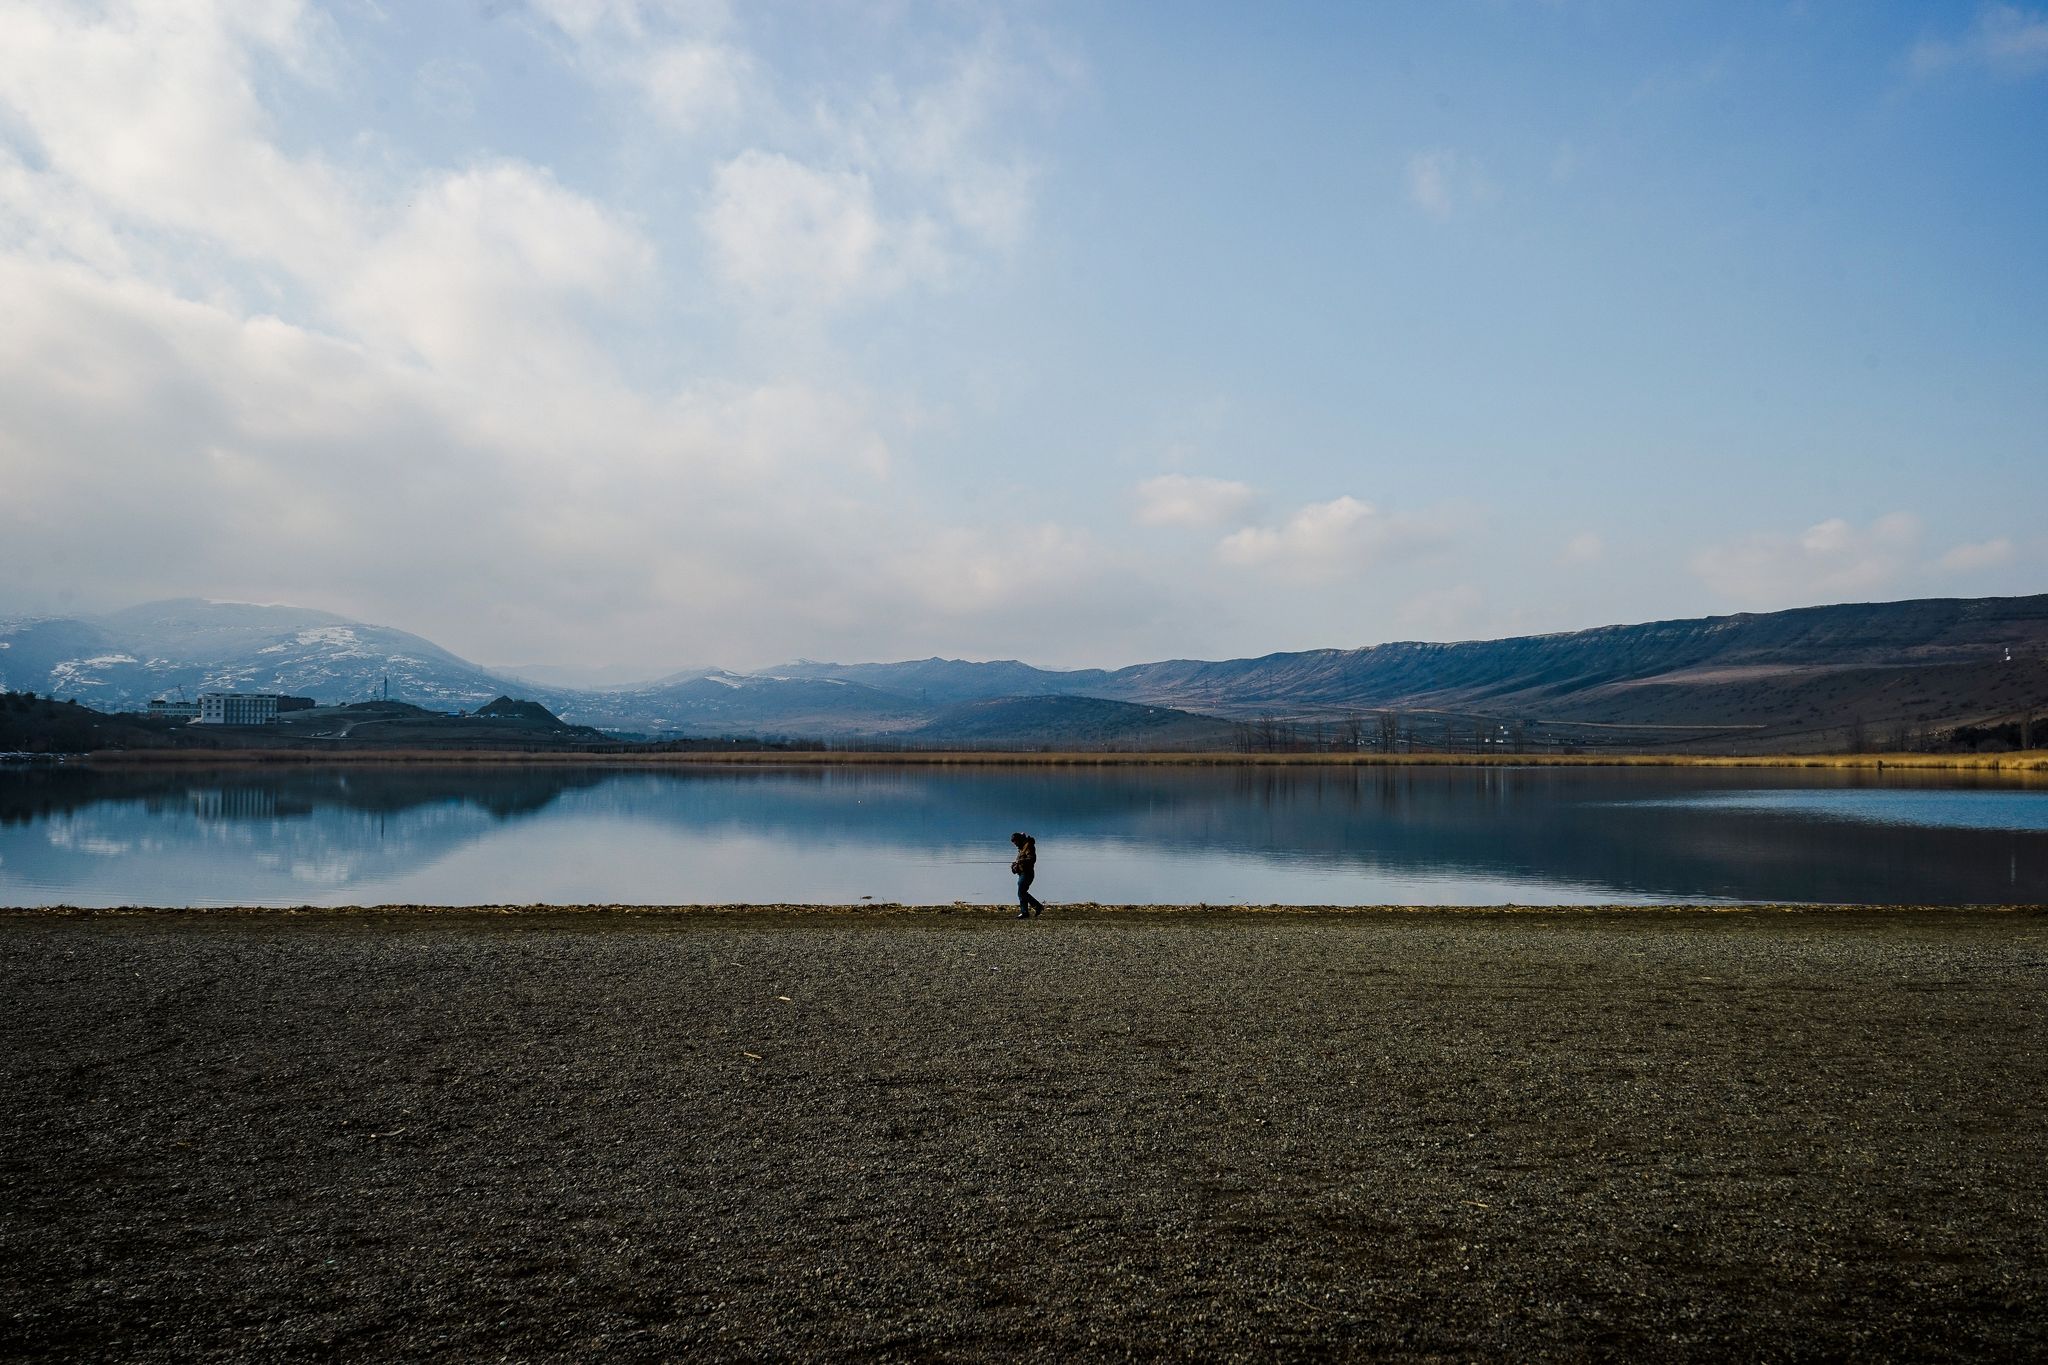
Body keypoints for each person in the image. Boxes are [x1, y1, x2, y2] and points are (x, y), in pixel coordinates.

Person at [1009, 831, 1045, 919]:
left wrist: (1021, 861)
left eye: (1016, 843)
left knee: (1021, 892)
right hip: (1022, 873)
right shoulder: (1022, 848)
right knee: (1022, 892)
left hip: (1027, 873)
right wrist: (1014, 865)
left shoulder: (1028, 846)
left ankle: (1036, 907)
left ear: (1019, 840)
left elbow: (1032, 859)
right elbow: (1021, 860)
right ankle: (1026, 912)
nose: (1015, 845)